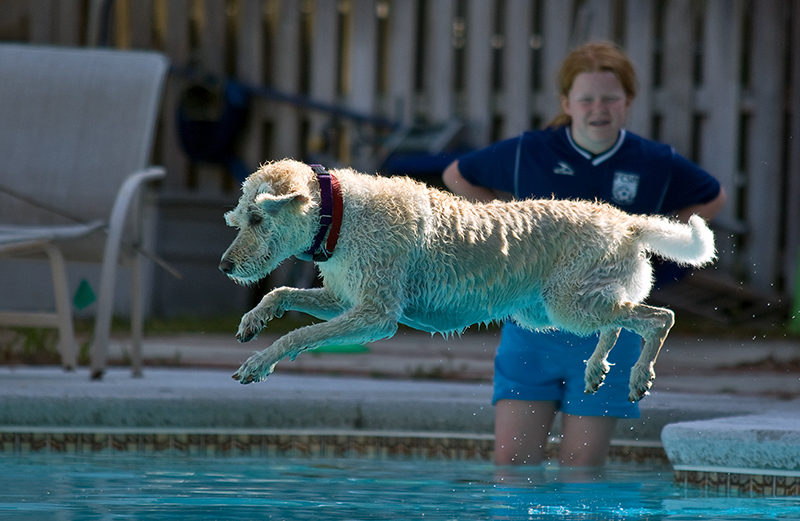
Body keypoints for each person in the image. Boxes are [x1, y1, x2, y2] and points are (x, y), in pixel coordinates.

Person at [442, 42, 727, 467]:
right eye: (587, 98)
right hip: (531, 324)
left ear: (628, 102)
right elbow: (456, 175)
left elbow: (713, 197)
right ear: (567, 103)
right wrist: (498, 236)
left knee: (582, 469)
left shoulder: (654, 161)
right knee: (512, 464)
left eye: (610, 97)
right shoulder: (530, 152)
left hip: (611, 330)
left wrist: (660, 255)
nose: (599, 107)